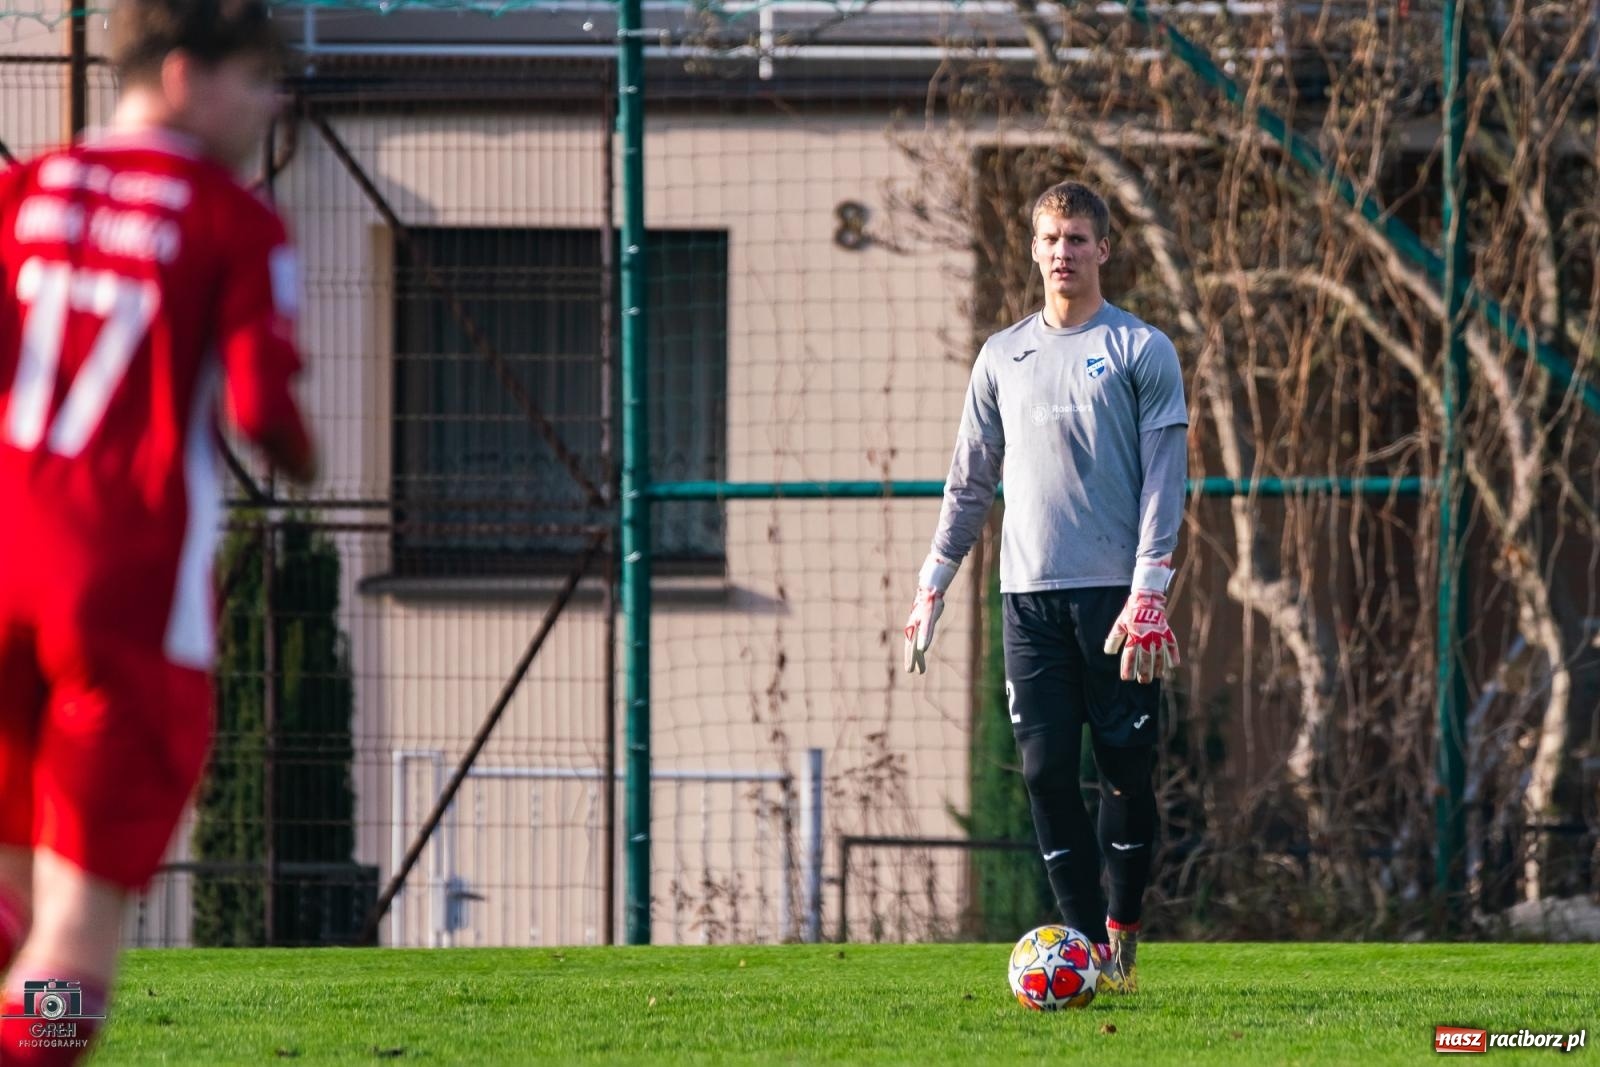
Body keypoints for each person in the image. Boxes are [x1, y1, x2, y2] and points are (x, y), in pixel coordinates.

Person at [0, 1, 314, 1059]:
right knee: (74, 929)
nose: (271, 105)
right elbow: (264, 409)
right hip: (122, 600)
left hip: (3, 569)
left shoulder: (24, 192)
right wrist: (302, 453)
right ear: (187, 76)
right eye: (258, 79)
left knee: (11, 886)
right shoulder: (232, 220)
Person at [904, 180, 1187, 993]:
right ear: (1033, 250)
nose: (1064, 252)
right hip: (1027, 599)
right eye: (1051, 238)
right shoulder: (1001, 356)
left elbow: (1166, 475)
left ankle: (1123, 924)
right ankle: (1088, 950)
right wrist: (934, 579)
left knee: (1126, 770)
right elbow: (970, 480)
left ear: (1104, 249)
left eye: (1078, 238)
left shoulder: (1141, 349)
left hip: (1117, 600)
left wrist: (1150, 587)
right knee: (1044, 770)